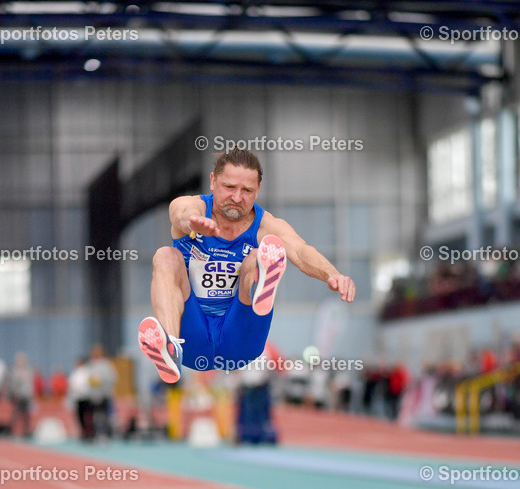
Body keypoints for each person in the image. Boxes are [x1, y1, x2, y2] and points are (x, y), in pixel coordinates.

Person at [137, 148, 356, 383]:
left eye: (247, 190)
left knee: (260, 253)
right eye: (230, 187)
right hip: (191, 338)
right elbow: (181, 214)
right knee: (165, 256)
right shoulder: (192, 207)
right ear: (213, 181)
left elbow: (302, 252)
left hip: (240, 339)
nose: (238, 197)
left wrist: (333, 274)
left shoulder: (266, 225)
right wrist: (192, 222)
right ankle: (170, 347)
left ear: (258, 190)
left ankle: (259, 285)